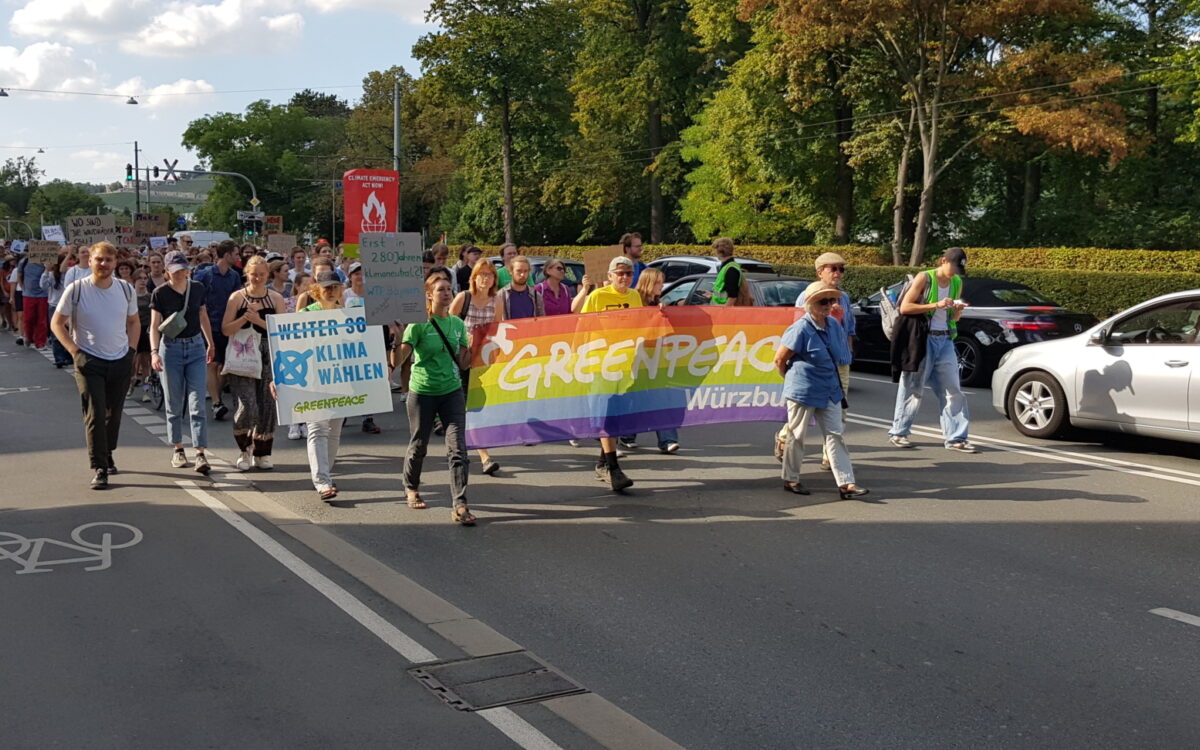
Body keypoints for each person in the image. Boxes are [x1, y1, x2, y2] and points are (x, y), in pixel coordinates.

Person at [50, 242, 140, 490]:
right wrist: (75, 351)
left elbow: (133, 321)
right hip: (89, 361)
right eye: (99, 259)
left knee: (114, 414)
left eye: (108, 260)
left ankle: (107, 451)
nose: (104, 264)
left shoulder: (125, 290)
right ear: (90, 261)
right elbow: (57, 323)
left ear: (115, 263)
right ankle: (100, 467)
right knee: (95, 413)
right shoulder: (77, 289)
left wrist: (131, 351)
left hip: (119, 358)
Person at [774, 281, 870, 500]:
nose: (829, 305)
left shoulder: (834, 325)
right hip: (803, 389)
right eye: (823, 301)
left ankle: (846, 482)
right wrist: (792, 380)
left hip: (829, 388)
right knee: (797, 435)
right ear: (810, 304)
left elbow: (840, 356)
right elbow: (779, 359)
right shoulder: (799, 328)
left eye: (831, 300)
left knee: (835, 434)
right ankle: (791, 479)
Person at [398, 274, 476, 525]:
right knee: (419, 443)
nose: (446, 293)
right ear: (429, 295)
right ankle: (411, 487)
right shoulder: (418, 324)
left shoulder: (457, 324)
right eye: (440, 289)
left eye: (448, 289)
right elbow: (398, 361)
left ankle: (460, 503)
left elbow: (463, 363)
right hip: (423, 392)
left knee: (458, 449)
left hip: (452, 391)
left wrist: (478, 349)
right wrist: (396, 338)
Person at [888, 247, 976, 453]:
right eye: (953, 267)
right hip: (922, 340)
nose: (954, 273)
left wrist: (957, 310)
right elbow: (905, 308)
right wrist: (935, 304)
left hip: (945, 340)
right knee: (913, 387)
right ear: (943, 260)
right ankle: (899, 432)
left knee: (953, 390)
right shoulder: (924, 278)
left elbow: (953, 318)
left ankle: (956, 438)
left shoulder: (956, 282)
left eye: (958, 269)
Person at [776, 252, 857, 468]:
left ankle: (830, 456)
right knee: (805, 411)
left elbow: (849, 329)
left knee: (839, 410)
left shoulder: (845, 297)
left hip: (839, 362)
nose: (839, 273)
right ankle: (784, 437)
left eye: (842, 268)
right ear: (820, 271)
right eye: (834, 268)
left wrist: (848, 353)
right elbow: (798, 329)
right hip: (816, 364)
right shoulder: (808, 296)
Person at [578, 255, 642, 491]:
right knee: (606, 416)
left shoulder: (635, 296)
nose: (624, 277)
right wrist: (579, 358)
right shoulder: (597, 297)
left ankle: (603, 462)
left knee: (618, 416)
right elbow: (581, 327)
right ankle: (614, 469)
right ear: (610, 276)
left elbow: (641, 327)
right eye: (620, 273)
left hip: (625, 366)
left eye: (628, 273)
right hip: (600, 365)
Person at [150, 250, 215, 475]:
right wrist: (154, 352)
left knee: (197, 403)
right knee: (174, 401)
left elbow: (203, 314)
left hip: (195, 345)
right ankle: (178, 447)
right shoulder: (160, 293)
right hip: (171, 348)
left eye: (183, 269)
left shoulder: (197, 288)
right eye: (176, 271)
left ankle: (200, 452)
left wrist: (210, 342)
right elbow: (154, 325)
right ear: (167, 271)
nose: (180, 274)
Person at [220, 255, 285, 471]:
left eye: (262, 274)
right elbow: (226, 329)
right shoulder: (236, 298)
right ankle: (244, 449)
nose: (257, 278)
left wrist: (258, 321)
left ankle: (263, 451)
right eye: (253, 274)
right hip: (243, 352)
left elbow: (281, 330)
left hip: (268, 351)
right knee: (247, 404)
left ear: (268, 275)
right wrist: (245, 319)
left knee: (266, 404)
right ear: (246, 274)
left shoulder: (276, 298)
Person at [618, 267, 680, 454]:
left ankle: (667, 439)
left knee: (659, 396)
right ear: (649, 283)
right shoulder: (634, 300)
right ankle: (627, 434)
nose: (662, 286)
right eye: (659, 283)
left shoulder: (658, 303)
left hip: (655, 357)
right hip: (636, 356)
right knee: (635, 397)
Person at [298, 270, 348, 500]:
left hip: (340, 378)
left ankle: (326, 473)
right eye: (326, 287)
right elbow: (291, 347)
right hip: (313, 379)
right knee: (317, 428)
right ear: (317, 290)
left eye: (335, 287)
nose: (331, 291)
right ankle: (322, 481)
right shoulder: (306, 313)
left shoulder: (348, 316)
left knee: (334, 431)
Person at [450, 258, 503, 475]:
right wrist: (466, 337)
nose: (486, 278)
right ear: (474, 278)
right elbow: (447, 325)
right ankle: (484, 456)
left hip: (482, 363)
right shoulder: (464, 298)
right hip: (460, 360)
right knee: (465, 408)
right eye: (482, 274)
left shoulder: (497, 301)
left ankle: (464, 448)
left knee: (475, 408)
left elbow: (498, 329)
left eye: (490, 275)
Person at [194, 240, 243, 421]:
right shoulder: (205, 275)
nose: (238, 258)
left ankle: (218, 396)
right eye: (236, 254)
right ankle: (216, 403)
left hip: (228, 325)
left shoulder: (234, 276)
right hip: (209, 325)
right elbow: (196, 300)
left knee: (225, 367)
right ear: (227, 254)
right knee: (212, 364)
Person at [40, 249, 73, 367]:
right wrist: (46, 270)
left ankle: (69, 356)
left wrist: (68, 254)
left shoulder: (68, 272)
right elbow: (43, 286)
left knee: (69, 332)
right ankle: (59, 358)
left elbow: (63, 268)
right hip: (54, 306)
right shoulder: (49, 275)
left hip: (67, 305)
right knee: (56, 332)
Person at [497, 255, 545, 320]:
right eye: (519, 271)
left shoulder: (536, 295)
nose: (522, 275)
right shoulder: (501, 295)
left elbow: (541, 320)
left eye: (525, 271)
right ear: (511, 271)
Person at [18, 252, 49, 349]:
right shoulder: (24, 261)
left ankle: (40, 342)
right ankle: (28, 337)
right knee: (28, 318)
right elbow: (19, 275)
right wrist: (23, 288)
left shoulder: (46, 261)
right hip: (28, 295)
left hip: (43, 295)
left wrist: (47, 266)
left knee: (41, 320)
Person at [131, 270, 154, 401]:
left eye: (145, 278)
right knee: (132, 361)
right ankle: (131, 381)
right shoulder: (130, 296)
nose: (143, 281)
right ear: (134, 280)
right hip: (132, 329)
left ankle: (146, 390)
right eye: (140, 278)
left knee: (146, 362)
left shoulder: (150, 296)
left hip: (146, 329)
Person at [710, 237, 748, 306]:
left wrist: (724, 312)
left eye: (715, 250)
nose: (714, 253)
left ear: (720, 252)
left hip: (724, 312)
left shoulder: (731, 269)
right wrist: (712, 295)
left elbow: (732, 298)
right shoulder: (728, 267)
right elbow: (724, 293)